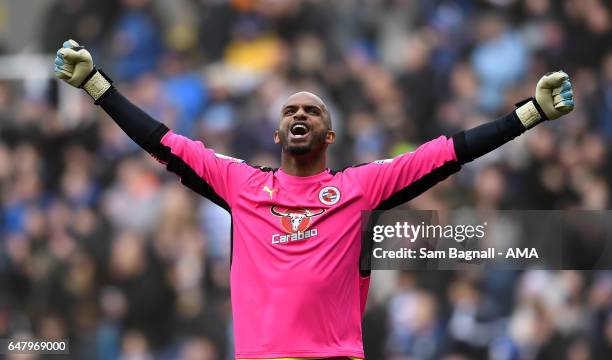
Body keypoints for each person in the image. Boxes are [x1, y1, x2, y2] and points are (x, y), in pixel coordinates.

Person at [54, 39, 574, 360]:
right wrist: (98, 86)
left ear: (328, 136)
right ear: (278, 135)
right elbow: (163, 142)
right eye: (290, 111)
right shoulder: (241, 184)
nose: (299, 114)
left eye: (313, 111)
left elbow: (447, 153)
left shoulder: (359, 187)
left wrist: (529, 114)